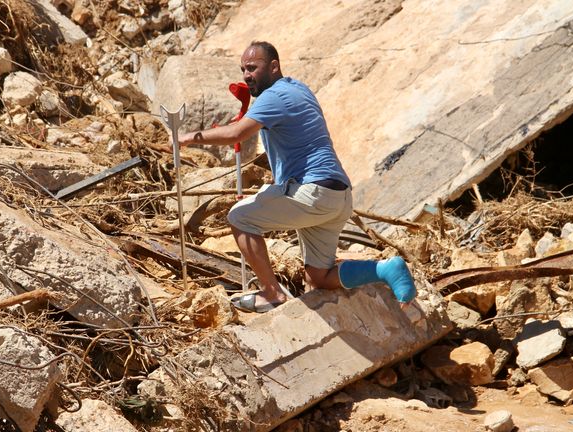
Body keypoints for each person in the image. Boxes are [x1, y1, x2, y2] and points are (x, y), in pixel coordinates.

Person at [177, 41, 417, 312]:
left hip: (311, 191)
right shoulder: (299, 89)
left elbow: (237, 134)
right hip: (337, 196)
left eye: (253, 68)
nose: (246, 75)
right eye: (243, 69)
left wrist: (187, 137)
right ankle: (386, 270)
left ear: (274, 66)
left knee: (240, 218)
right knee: (319, 277)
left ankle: (272, 293)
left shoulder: (274, 96)